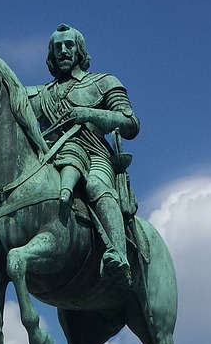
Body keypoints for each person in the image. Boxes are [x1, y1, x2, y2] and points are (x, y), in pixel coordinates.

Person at [26, 24, 139, 281]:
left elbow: (131, 124)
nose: (63, 51)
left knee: (97, 187)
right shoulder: (40, 96)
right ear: (51, 54)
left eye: (69, 45)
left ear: (79, 50)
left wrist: (89, 114)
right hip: (53, 160)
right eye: (57, 47)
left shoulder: (103, 82)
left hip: (96, 157)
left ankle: (119, 257)